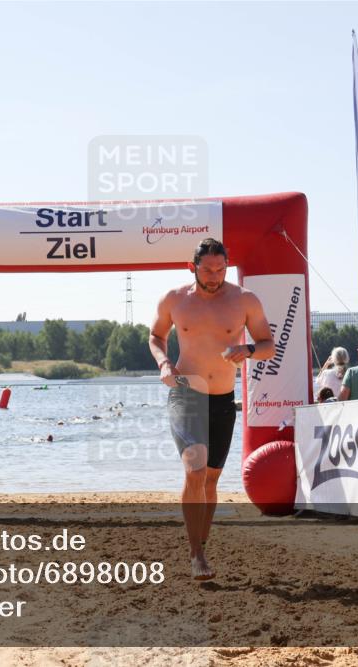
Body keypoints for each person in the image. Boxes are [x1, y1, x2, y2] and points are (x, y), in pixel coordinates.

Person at [149, 238, 274, 580]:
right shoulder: (175, 299)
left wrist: (248, 350)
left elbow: (268, 345)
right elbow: (156, 336)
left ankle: (201, 542)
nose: (215, 276)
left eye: (221, 269)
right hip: (186, 394)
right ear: (193, 267)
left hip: (222, 398)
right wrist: (164, 363)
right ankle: (196, 554)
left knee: (211, 479)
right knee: (195, 471)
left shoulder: (245, 299)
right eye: (207, 270)